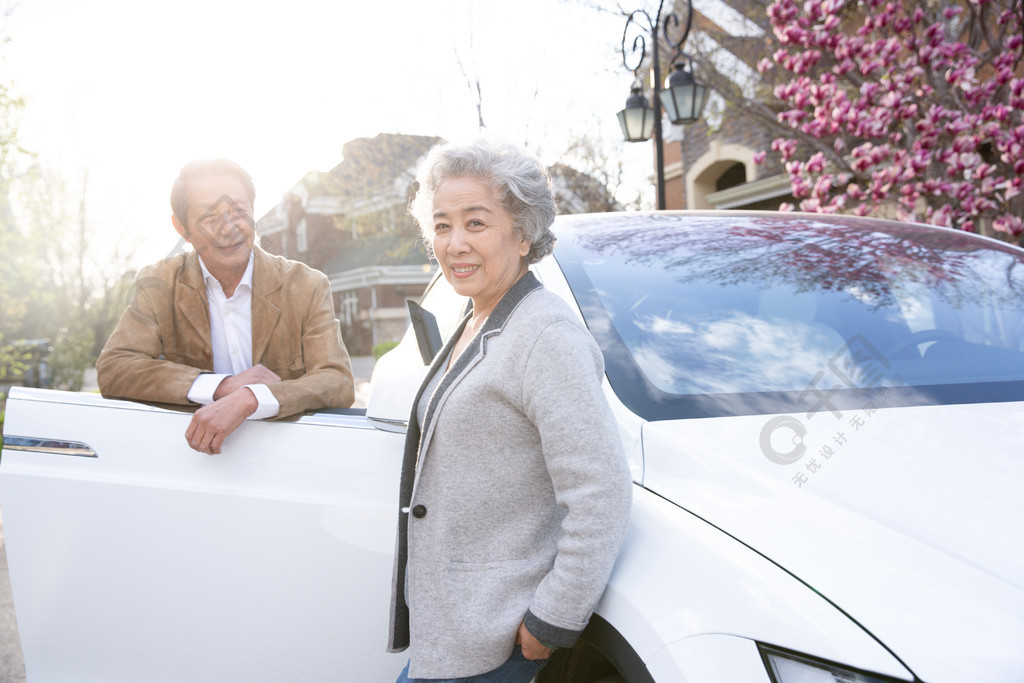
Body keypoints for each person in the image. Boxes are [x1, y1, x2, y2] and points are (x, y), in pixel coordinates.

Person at [387, 140, 632, 682]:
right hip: (452, 632)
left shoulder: (545, 334)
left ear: (523, 234)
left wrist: (551, 621)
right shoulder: (476, 319)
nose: (454, 244)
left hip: (498, 642)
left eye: (476, 223)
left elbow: (602, 492)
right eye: (443, 225)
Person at [96, 158, 354, 455]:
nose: (229, 228)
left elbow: (337, 381)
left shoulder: (306, 284)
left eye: (239, 211)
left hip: (289, 459)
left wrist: (250, 397)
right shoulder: (159, 284)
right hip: (197, 461)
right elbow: (115, 369)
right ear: (181, 227)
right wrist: (220, 387)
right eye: (209, 217)